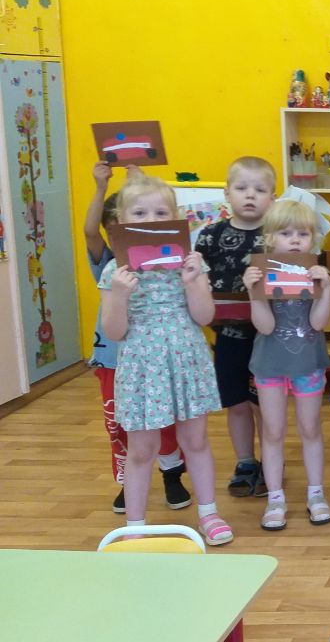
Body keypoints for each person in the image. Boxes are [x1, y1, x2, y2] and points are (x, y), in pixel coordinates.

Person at [98, 176, 231, 545]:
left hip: (186, 360)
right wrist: (120, 295)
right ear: (121, 222)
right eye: (140, 213)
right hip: (142, 366)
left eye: (160, 212)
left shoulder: (189, 263)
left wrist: (193, 281)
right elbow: (115, 331)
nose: (151, 220)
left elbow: (205, 316)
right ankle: (135, 527)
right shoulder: (115, 272)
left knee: (196, 440)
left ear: (175, 219)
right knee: (141, 449)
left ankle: (209, 514)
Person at [85, 162, 190, 513]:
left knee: (165, 421)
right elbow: (89, 231)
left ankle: (171, 475)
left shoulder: (167, 260)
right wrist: (101, 188)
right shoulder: (109, 264)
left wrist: (139, 183)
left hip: (155, 357)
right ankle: (127, 483)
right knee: (119, 424)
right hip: (114, 360)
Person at [242, 200, 330, 530]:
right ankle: (275, 498)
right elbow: (265, 327)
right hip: (270, 365)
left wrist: (326, 289)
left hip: (308, 363)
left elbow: (319, 323)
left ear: (313, 239)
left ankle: (316, 494)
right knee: (272, 431)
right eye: (286, 233)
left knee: (310, 429)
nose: (295, 240)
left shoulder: (315, 273)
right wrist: (253, 292)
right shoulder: (260, 274)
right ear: (270, 238)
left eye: (303, 234)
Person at [196, 156, 274, 497]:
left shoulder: (277, 235)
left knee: (264, 405)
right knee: (237, 403)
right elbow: (197, 280)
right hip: (227, 338)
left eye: (259, 189)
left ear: (272, 197)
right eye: (242, 188)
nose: (250, 195)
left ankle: (271, 462)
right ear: (227, 193)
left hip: (268, 337)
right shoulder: (210, 235)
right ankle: (245, 461)